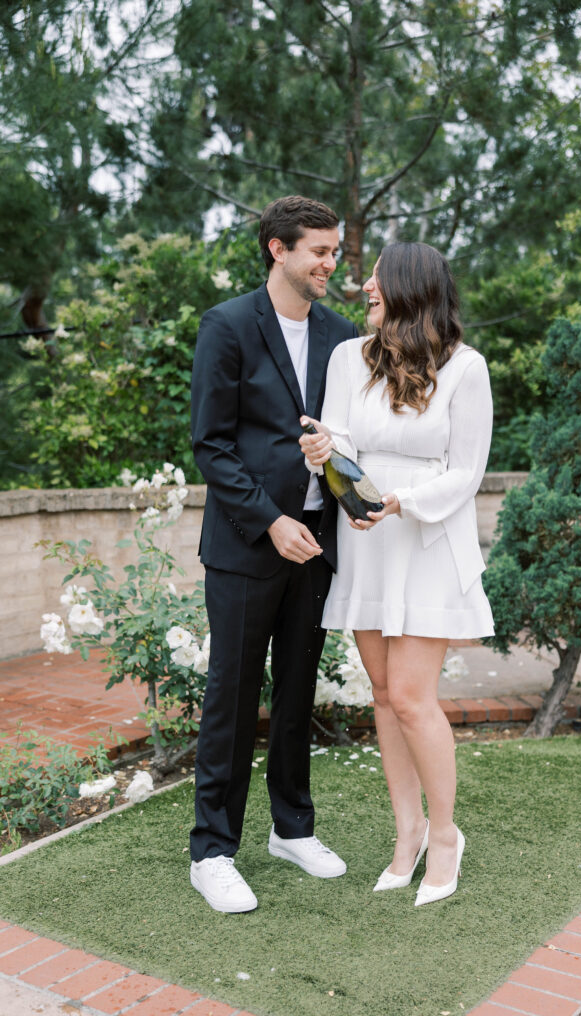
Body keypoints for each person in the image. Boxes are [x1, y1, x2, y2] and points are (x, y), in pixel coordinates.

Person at [299, 241, 494, 907]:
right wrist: (331, 464)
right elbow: (340, 441)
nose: (365, 288)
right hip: (366, 538)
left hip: (426, 539)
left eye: (378, 279)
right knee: (382, 697)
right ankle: (405, 832)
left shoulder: (465, 369)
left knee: (412, 697)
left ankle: (445, 835)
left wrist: (400, 503)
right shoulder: (347, 358)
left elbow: (467, 471)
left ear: (410, 288)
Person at [189, 195, 359, 913]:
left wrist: (349, 496)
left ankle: (292, 828)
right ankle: (211, 850)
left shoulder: (343, 335)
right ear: (276, 249)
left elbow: (347, 435)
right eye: (318, 251)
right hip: (246, 548)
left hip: (320, 545)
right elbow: (212, 445)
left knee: (296, 693)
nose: (331, 263)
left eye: (334, 250)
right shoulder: (226, 326)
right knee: (232, 697)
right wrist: (269, 520)